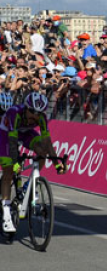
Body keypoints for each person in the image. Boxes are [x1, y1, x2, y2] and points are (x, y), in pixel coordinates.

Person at [1, 92, 66, 233]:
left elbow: (47, 141)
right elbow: (12, 141)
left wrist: (56, 162)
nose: (34, 116)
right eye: (32, 111)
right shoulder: (14, 113)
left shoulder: (41, 118)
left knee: (42, 149)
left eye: (38, 113)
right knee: (8, 171)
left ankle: (27, 187)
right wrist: (15, 161)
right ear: (26, 107)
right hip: (6, 135)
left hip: (25, 133)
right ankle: (6, 214)